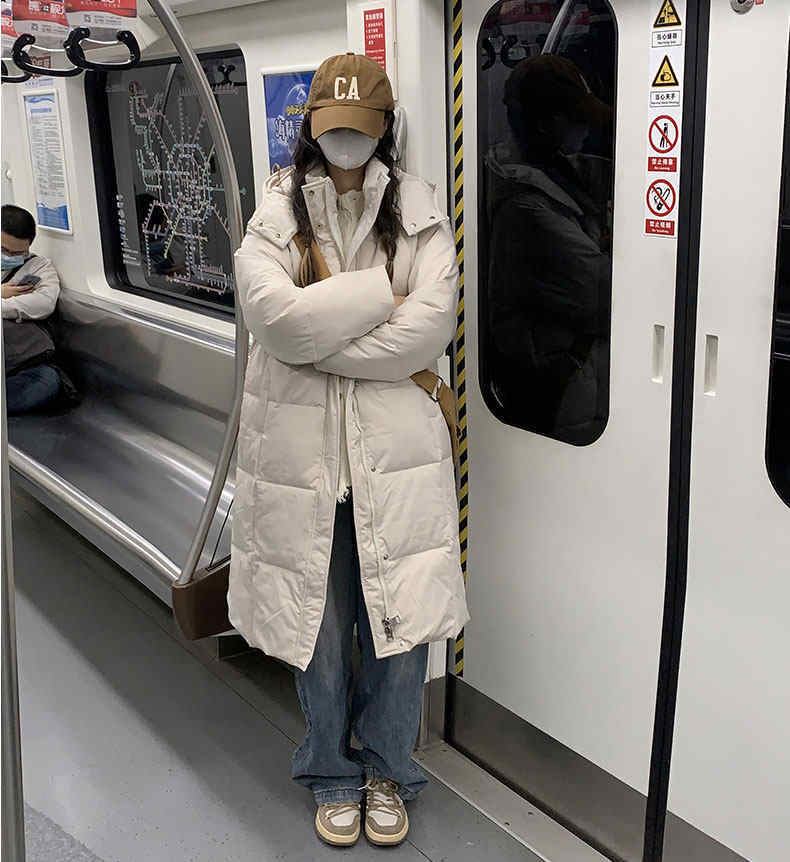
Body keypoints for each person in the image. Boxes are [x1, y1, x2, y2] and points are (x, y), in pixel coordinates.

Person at [228, 53, 469, 847]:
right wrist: (375, 299)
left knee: (400, 629)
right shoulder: (274, 212)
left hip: (395, 462)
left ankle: (389, 769)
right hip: (302, 465)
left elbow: (427, 330)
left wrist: (317, 336)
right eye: (332, 130)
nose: (345, 143)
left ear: (385, 129)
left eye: (360, 130)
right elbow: (274, 319)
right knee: (320, 630)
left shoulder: (421, 212)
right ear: (310, 130)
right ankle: (329, 769)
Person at [483, 54, 613, 444]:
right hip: (558, 384)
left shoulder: (554, 171)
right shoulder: (527, 208)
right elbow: (602, 294)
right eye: (576, 118)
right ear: (546, 125)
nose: (585, 129)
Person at [1, 204, 68, 414]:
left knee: (47, 382)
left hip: (18, 362)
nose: (9, 256)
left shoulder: (38, 267)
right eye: (3, 250)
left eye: (17, 252)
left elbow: (42, 304)